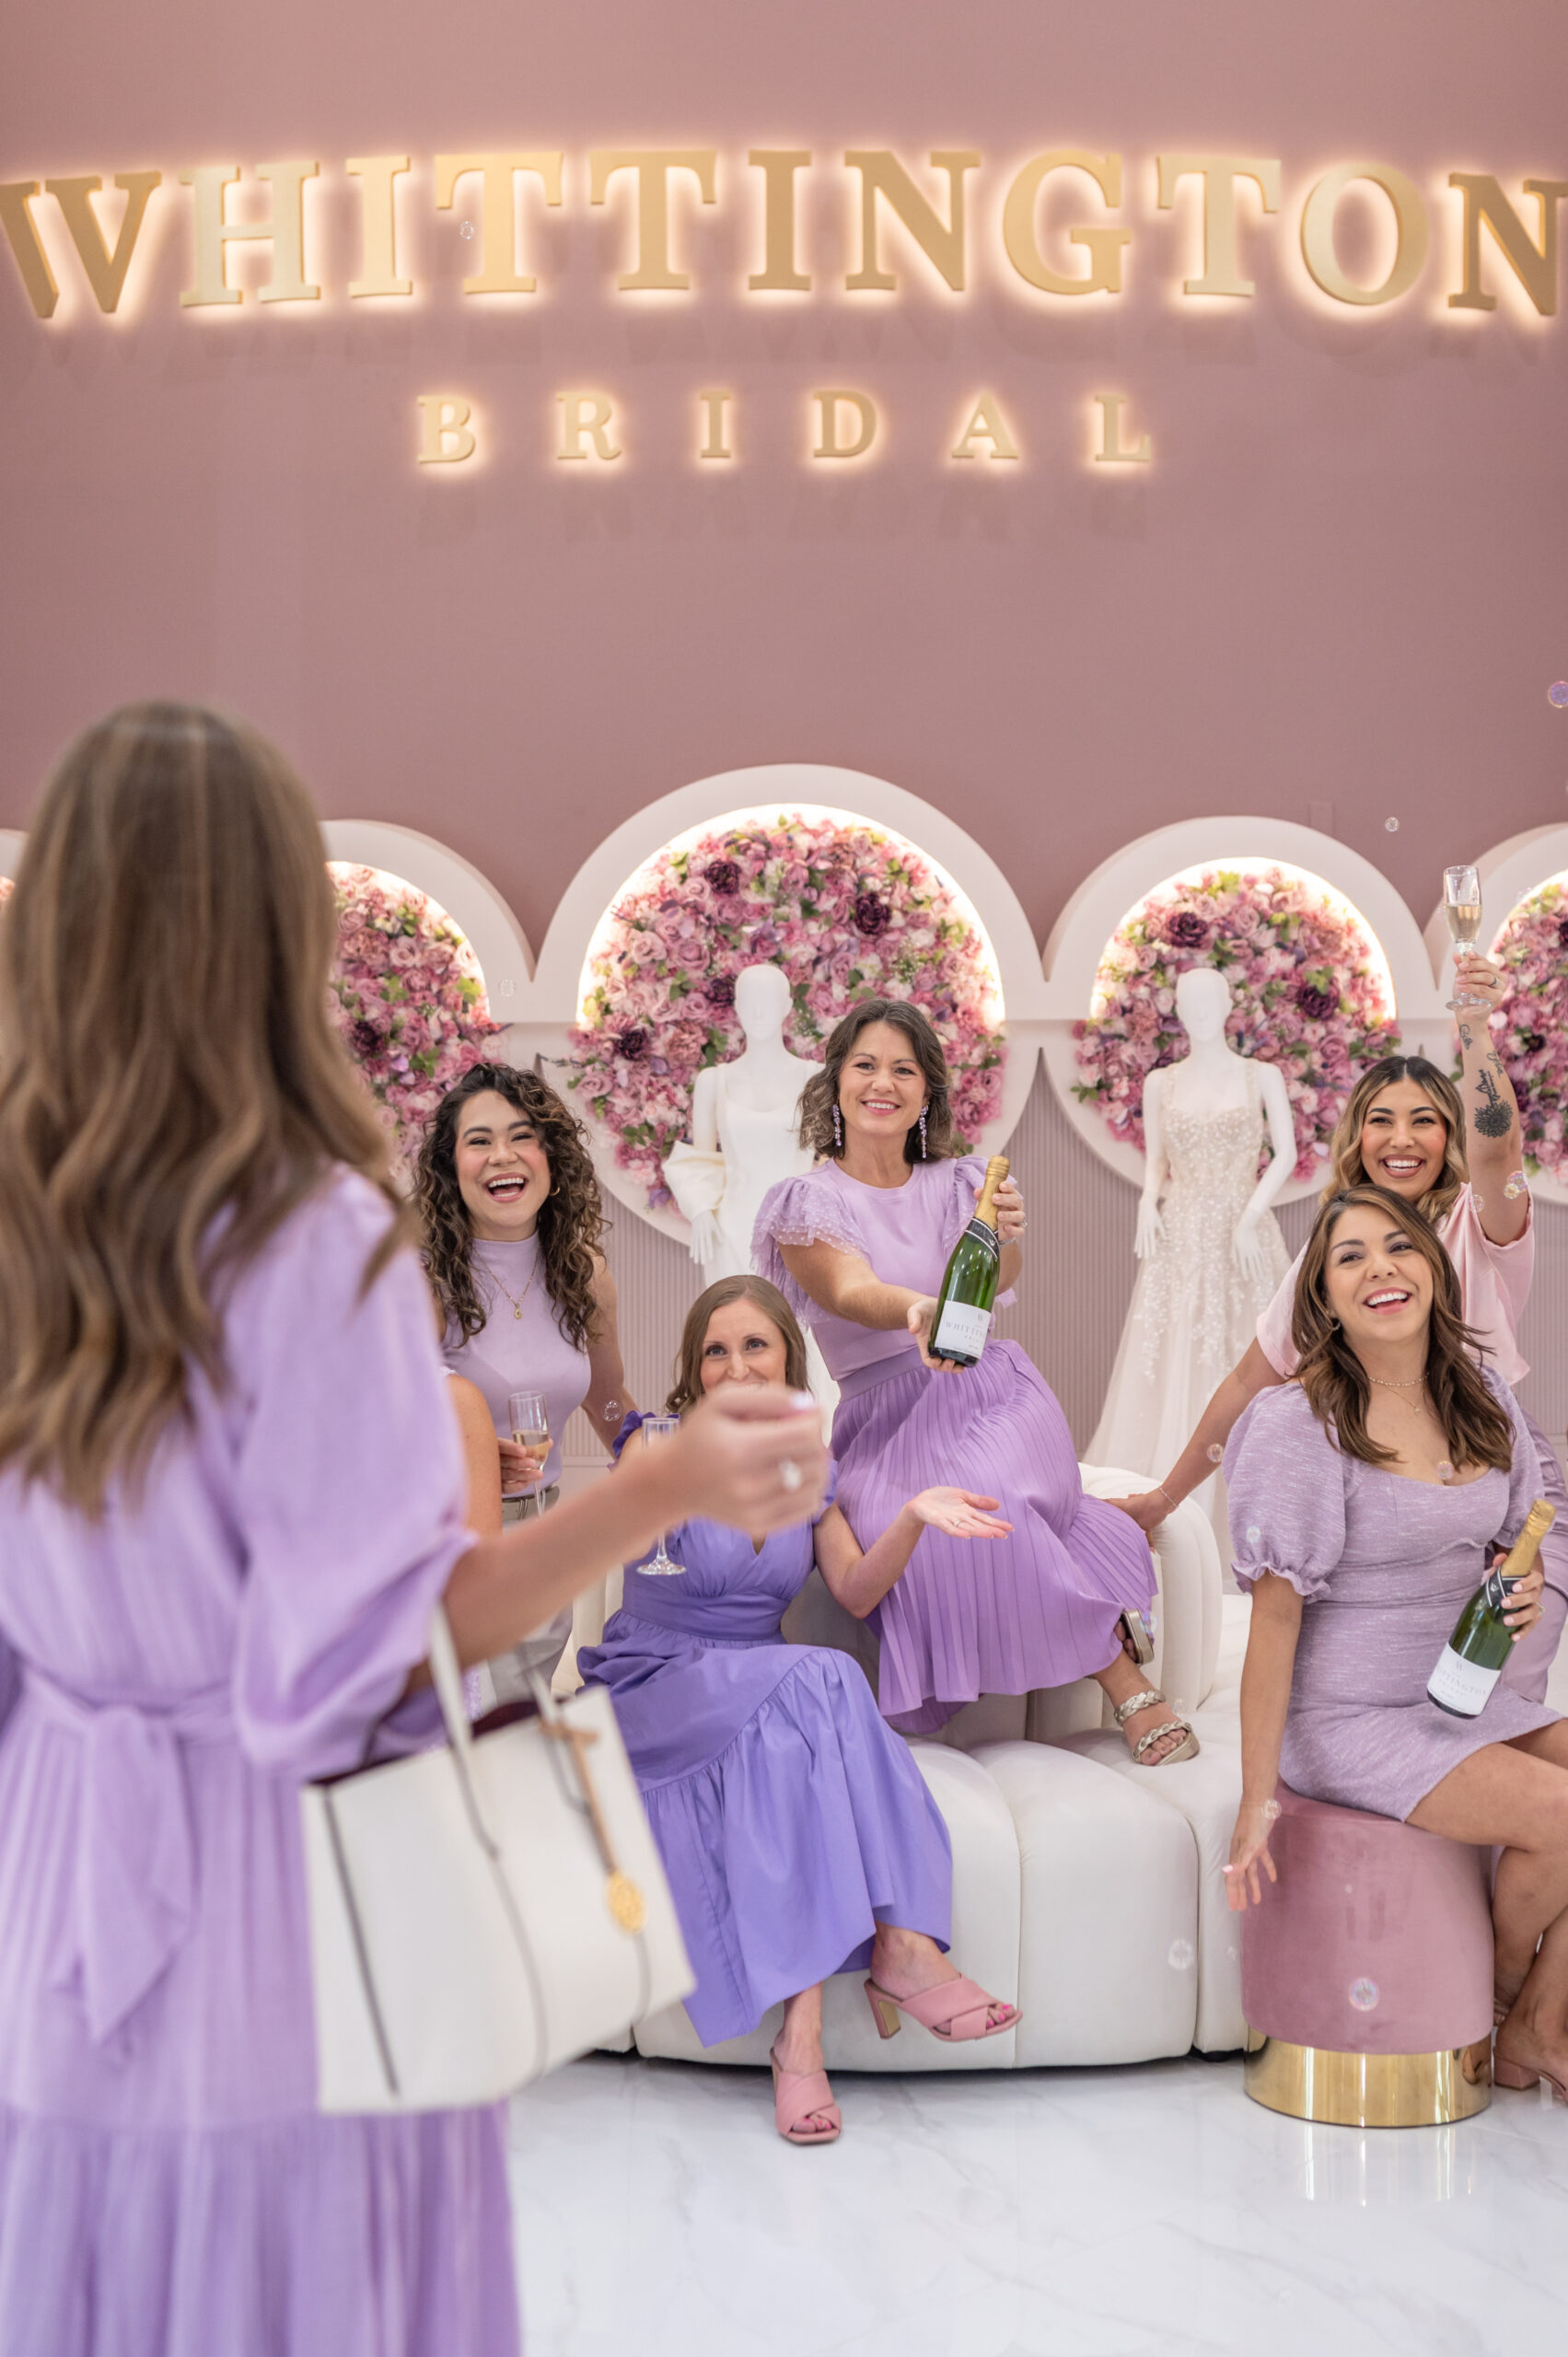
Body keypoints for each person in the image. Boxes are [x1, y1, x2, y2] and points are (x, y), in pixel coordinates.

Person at [0, 702, 826, 2357]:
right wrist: (653, 1491)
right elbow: (371, 1645)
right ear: (272, 929)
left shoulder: (26, 1213)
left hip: (54, 1893)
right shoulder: (313, 1235)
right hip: (272, 1914)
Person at [579, 1274, 1020, 2144]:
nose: (735, 1365)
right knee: (817, 1680)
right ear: (695, 1371)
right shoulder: (654, 1444)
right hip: (653, 1683)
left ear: (787, 1359)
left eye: (754, 1346)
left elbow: (856, 1590)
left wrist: (912, 1517)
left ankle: (802, 2040)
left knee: (804, 1700)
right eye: (715, 1350)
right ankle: (899, 1947)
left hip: (760, 1692)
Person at [753, 998, 1190, 1761]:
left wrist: (1006, 1235)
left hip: (989, 1395)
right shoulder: (806, 1203)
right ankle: (1102, 1548)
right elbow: (847, 1291)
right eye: (864, 1065)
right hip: (883, 1423)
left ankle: (1123, 1682)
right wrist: (920, 1308)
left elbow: (998, 1282)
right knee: (939, 1525)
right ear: (835, 1083)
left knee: (988, 1495)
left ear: (927, 1093)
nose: (882, 1082)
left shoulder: (964, 1182)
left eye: (903, 1068)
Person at [1222, 1183, 1568, 2100]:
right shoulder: (1297, 1423)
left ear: (1433, 1268)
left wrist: (1522, 1582)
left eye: (1398, 1247)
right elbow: (1273, 1620)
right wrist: (1256, 1800)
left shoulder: (1479, 1392)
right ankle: (1493, 2002)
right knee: (1559, 1816)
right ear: (1323, 1301)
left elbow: (1515, 1533)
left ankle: (1538, 2023)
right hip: (1349, 1716)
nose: (1379, 1266)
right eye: (1348, 1257)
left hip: (1465, 1694)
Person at [1112, 1007, 1568, 1702]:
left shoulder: (1480, 1224)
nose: (1400, 1138)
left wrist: (1474, 1033)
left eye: (1423, 1119)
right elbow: (1247, 1384)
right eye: (1380, 1119)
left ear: (1448, 1136)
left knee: (1496, 1697)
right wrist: (1163, 1500)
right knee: (1397, 1704)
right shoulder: (1325, 1262)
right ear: (1356, 1137)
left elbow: (1500, 1153)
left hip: (1500, 1477)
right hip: (1391, 1496)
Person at [417, 1059, 636, 1684]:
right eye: (478, 1141)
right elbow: (378, 1425)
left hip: (545, 1542)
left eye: (521, 1137)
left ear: (550, 1159)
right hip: (452, 1551)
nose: (501, 1156)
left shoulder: (582, 1271)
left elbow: (605, 1397)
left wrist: (656, 1457)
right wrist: (476, 1449)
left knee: (518, 1738)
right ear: (450, 1167)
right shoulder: (424, 1279)